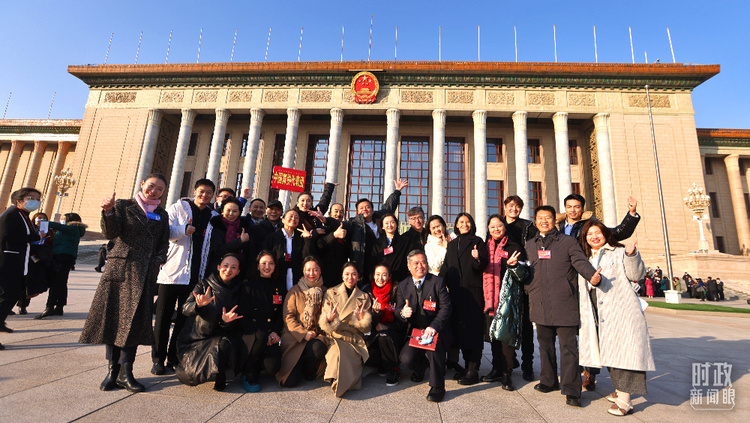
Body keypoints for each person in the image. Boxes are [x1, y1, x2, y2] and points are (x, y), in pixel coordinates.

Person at [79, 173, 170, 393]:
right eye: (151, 186)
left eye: (159, 189)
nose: (154, 191)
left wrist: (157, 260)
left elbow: (163, 243)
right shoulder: (123, 206)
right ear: (142, 185)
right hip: (120, 271)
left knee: (135, 323)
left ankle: (126, 372)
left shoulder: (161, 214)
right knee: (115, 320)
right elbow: (110, 232)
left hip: (144, 274)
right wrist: (108, 211)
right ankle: (112, 372)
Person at [525, 205, 601, 408]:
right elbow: (527, 272)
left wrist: (591, 275)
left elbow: (580, 262)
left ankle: (571, 390)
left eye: (548, 217)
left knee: (568, 349)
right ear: (535, 221)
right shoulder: (530, 244)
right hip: (539, 302)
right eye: (540, 218)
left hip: (564, 302)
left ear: (555, 221)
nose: (544, 221)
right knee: (545, 345)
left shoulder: (568, 242)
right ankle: (548, 381)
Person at [578, 220, 654, 416]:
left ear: (606, 234)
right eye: (590, 234)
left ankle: (624, 400)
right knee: (611, 352)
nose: (594, 236)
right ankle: (620, 389)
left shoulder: (618, 251)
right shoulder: (586, 257)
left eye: (598, 232)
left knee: (625, 354)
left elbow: (636, 274)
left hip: (620, 311)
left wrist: (631, 255)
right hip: (599, 312)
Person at [151, 178, 217, 375]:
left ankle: (174, 357)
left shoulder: (213, 216)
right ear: (194, 191)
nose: (204, 195)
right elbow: (166, 233)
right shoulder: (178, 208)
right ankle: (158, 359)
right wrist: (183, 230)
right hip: (173, 273)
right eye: (201, 191)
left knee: (184, 319)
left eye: (208, 193)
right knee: (162, 318)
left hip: (196, 275)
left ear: (213, 195)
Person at [175, 253, 244, 391]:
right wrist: (198, 306)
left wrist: (225, 322)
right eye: (225, 265)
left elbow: (235, 323)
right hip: (195, 339)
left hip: (217, 337)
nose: (228, 270)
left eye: (233, 267)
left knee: (225, 343)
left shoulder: (238, 291)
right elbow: (185, 309)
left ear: (238, 272)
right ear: (218, 267)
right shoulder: (203, 285)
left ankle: (221, 374)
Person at [396, 249, 453, 403]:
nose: (420, 266)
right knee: (405, 359)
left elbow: (446, 307)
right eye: (416, 263)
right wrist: (403, 313)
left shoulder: (437, 282)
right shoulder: (403, 285)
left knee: (434, 348)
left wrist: (434, 326)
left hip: (435, 329)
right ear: (408, 266)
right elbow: (397, 309)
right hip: (415, 332)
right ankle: (421, 367)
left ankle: (437, 387)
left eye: (423, 262)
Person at [442, 212, 489, 386]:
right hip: (455, 293)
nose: (464, 224)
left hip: (473, 293)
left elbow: (483, 264)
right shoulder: (452, 244)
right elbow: (447, 267)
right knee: (460, 331)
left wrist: (478, 259)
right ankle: (466, 367)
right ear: (456, 225)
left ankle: (473, 369)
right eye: (461, 222)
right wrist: (438, 284)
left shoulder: (478, 242)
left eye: (467, 221)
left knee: (473, 331)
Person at [481, 215, 523, 390]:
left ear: (505, 228)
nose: (496, 229)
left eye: (499, 226)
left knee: (505, 337)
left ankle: (507, 373)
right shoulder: (485, 247)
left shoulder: (513, 246)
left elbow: (523, 271)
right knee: (493, 336)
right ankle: (497, 368)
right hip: (489, 299)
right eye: (492, 226)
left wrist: (514, 265)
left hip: (507, 299)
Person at [0, 187, 45, 347]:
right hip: (7, 261)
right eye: (31, 198)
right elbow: (6, 235)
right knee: (8, 295)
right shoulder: (11, 214)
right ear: (19, 200)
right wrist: (35, 236)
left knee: (12, 293)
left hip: (17, 261)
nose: (36, 201)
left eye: (38, 198)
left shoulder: (22, 215)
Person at [319, 263, 373, 397]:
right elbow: (324, 323)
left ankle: (341, 381)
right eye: (347, 274)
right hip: (335, 336)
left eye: (354, 274)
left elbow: (367, 328)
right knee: (336, 353)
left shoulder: (364, 297)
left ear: (358, 276)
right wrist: (330, 319)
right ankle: (339, 380)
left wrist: (361, 319)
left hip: (354, 339)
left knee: (346, 355)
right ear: (342, 276)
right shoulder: (331, 293)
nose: (350, 277)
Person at [277, 257, 328, 387]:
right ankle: (297, 365)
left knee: (318, 347)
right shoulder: (294, 291)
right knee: (289, 381)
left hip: (316, 335)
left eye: (315, 270)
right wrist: (303, 333)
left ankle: (309, 368)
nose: (311, 274)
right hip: (295, 336)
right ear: (303, 271)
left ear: (320, 271)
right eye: (308, 270)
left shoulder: (325, 291)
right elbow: (288, 317)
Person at [237, 251, 285, 392]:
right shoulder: (247, 285)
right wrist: (263, 333)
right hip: (252, 332)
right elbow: (243, 315)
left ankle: (259, 364)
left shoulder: (279, 287)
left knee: (273, 367)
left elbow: (280, 314)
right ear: (257, 266)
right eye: (263, 263)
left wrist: (276, 332)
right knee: (260, 336)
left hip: (271, 333)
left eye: (271, 263)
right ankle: (248, 372)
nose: (267, 267)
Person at [501, 195, 536, 381]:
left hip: (523, 278)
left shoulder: (528, 227)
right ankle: (510, 359)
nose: (514, 209)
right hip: (504, 281)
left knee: (526, 325)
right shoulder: (499, 224)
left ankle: (528, 365)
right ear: (505, 207)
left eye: (517, 206)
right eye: (511, 205)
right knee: (507, 322)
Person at [348, 178, 408, 283]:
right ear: (357, 212)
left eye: (367, 207)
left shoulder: (379, 218)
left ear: (372, 209)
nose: (365, 209)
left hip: (384, 262)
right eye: (361, 208)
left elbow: (388, 206)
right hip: (365, 264)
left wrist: (397, 191)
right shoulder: (353, 224)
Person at [36, 213, 87, 319]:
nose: (62, 221)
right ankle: (59, 307)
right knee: (61, 282)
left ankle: (49, 307)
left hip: (63, 257)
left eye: (64, 219)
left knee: (56, 281)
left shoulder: (73, 228)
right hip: (63, 257)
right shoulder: (68, 230)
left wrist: (44, 222)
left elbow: (59, 226)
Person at [362, 263, 405, 386]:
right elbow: (366, 323)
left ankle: (394, 369)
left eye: (384, 275)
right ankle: (382, 364)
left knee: (384, 335)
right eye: (377, 274)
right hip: (372, 332)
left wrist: (388, 327)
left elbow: (403, 322)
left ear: (390, 276)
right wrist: (376, 314)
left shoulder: (397, 290)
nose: (380, 278)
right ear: (373, 276)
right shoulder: (367, 291)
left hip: (393, 332)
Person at [264, 209, 314, 291]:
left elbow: (306, 257)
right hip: (277, 275)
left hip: (296, 276)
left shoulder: (300, 237)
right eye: (290, 216)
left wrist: (308, 239)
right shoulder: (272, 237)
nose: (293, 219)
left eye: (296, 217)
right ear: (283, 220)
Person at [18, 212, 54, 315]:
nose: (41, 220)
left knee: (31, 285)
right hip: (27, 257)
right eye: (39, 218)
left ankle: (23, 305)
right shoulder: (30, 229)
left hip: (38, 260)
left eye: (44, 218)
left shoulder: (48, 231)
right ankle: (15, 303)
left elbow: (50, 243)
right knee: (21, 282)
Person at [377, 213, 415, 282]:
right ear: (382, 226)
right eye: (386, 223)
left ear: (396, 224)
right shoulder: (377, 243)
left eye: (392, 222)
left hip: (401, 280)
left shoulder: (406, 242)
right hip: (382, 280)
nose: (389, 225)